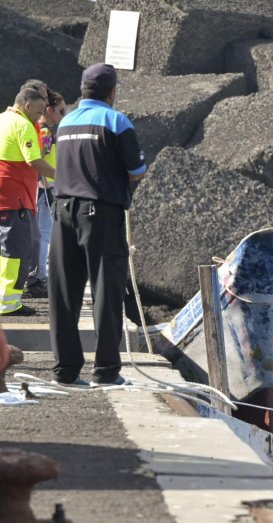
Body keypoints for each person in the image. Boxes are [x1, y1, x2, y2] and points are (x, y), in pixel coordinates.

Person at [50, 64, 146, 386]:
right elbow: (137, 169)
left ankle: (65, 370)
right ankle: (105, 371)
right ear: (112, 91)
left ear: (81, 89)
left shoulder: (65, 122)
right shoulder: (115, 120)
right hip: (100, 213)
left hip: (62, 210)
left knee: (63, 292)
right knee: (106, 290)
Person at [1, 87, 55, 316]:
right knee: (15, 251)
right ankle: (8, 303)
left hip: (5, 196)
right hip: (16, 198)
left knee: (5, 249)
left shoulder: (3, 118)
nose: (40, 117)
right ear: (27, 105)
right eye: (39, 111)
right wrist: (64, 177)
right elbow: (34, 162)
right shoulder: (23, 125)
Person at [26, 88, 64, 297]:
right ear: (48, 110)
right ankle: (39, 276)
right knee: (43, 235)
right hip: (44, 189)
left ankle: (38, 274)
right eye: (61, 111)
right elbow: (38, 158)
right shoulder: (44, 132)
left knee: (42, 235)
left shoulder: (43, 130)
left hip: (45, 187)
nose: (63, 116)